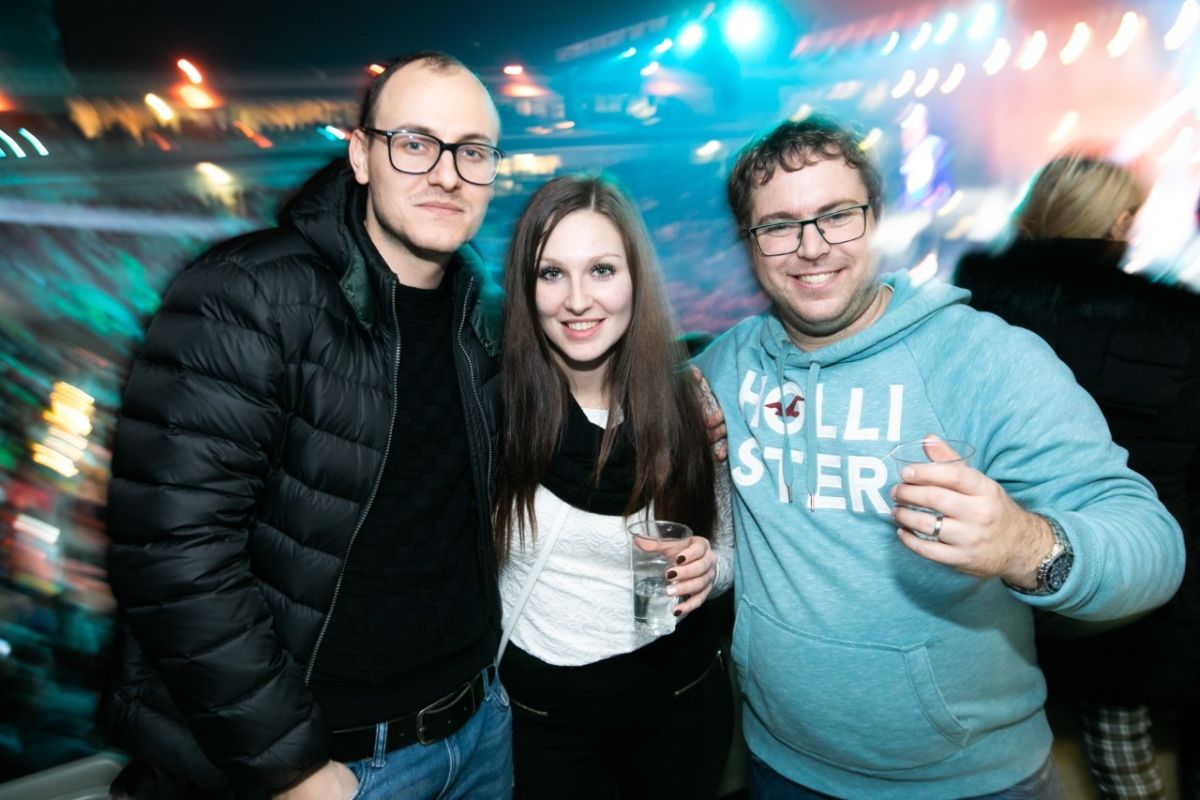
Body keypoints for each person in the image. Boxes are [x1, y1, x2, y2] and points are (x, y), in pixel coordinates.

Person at [692, 113, 1186, 800]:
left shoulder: (986, 358)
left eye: (836, 215)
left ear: (875, 218)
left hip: (969, 779)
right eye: (778, 225)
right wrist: (675, 409)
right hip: (782, 762)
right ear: (750, 243)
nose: (811, 247)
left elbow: (1153, 545)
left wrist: (1024, 545)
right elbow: (637, 402)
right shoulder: (729, 363)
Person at [101, 51, 512, 799]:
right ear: (361, 155)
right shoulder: (247, 295)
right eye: (415, 143)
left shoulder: (481, 313)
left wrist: (689, 402)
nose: (446, 173)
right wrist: (289, 765)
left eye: (472, 151)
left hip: (481, 727)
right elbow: (171, 550)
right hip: (333, 763)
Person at [957, 153, 1200, 800]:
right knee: (1121, 741)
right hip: (1127, 566)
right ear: (1118, 223)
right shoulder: (1171, 324)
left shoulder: (976, 309)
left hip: (998, 566)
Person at [493, 175, 734, 799]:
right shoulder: (496, 410)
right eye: (552, 274)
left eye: (601, 270)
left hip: (677, 706)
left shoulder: (688, 404)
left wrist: (709, 569)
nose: (578, 300)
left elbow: (727, 553)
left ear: (635, 279)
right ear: (525, 286)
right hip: (544, 720)